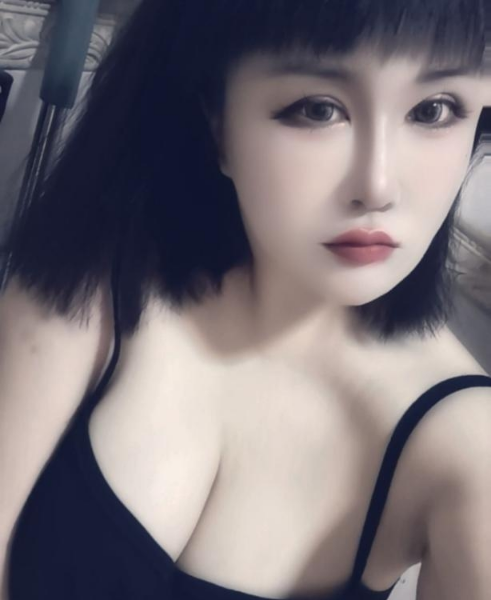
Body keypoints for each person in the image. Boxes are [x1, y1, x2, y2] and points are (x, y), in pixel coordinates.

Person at [1, 1, 491, 599]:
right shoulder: (95, 280)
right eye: (318, 108)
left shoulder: (468, 446)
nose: (378, 186)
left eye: (433, 110)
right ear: (217, 123)